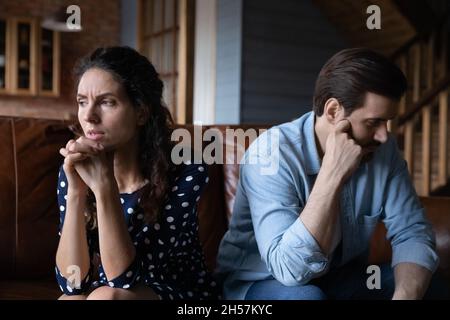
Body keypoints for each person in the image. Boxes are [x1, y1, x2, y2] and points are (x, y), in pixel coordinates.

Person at [216, 48, 448, 300]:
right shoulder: (271, 154)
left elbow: (411, 230)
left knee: (430, 284)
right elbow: (289, 271)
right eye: (373, 122)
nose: (384, 135)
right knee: (306, 298)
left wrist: (405, 296)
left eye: (387, 122)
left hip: (339, 277)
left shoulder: (383, 148)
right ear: (334, 111)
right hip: (262, 283)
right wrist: (332, 173)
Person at [55, 46, 218, 300]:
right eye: (82, 102)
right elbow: (72, 283)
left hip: (175, 291)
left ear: (141, 112)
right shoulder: (75, 169)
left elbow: (125, 279)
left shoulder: (187, 172)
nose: (88, 116)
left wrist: (104, 186)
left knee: (109, 297)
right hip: (106, 290)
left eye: (107, 102)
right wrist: (76, 192)